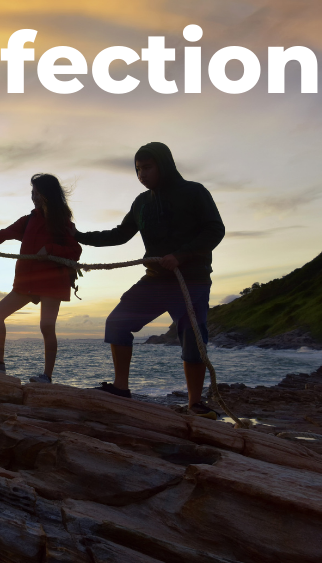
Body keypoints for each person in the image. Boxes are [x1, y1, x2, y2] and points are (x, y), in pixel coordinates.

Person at [75, 142, 225, 418]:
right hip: (155, 279)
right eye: (137, 169)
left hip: (191, 280)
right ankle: (121, 388)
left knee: (193, 339)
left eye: (147, 167)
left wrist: (181, 255)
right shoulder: (141, 202)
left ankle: (195, 403)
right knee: (117, 322)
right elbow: (119, 235)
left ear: (164, 165)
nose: (141, 174)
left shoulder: (194, 192)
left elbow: (215, 229)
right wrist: (79, 236)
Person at [0, 174, 81, 381]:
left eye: (37, 193)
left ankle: (47, 376)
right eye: (32, 193)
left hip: (52, 282)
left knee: (46, 326)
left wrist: (49, 249)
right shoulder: (28, 220)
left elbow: (75, 251)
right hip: (26, 283)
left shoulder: (62, 222)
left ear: (48, 195)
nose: (33, 197)